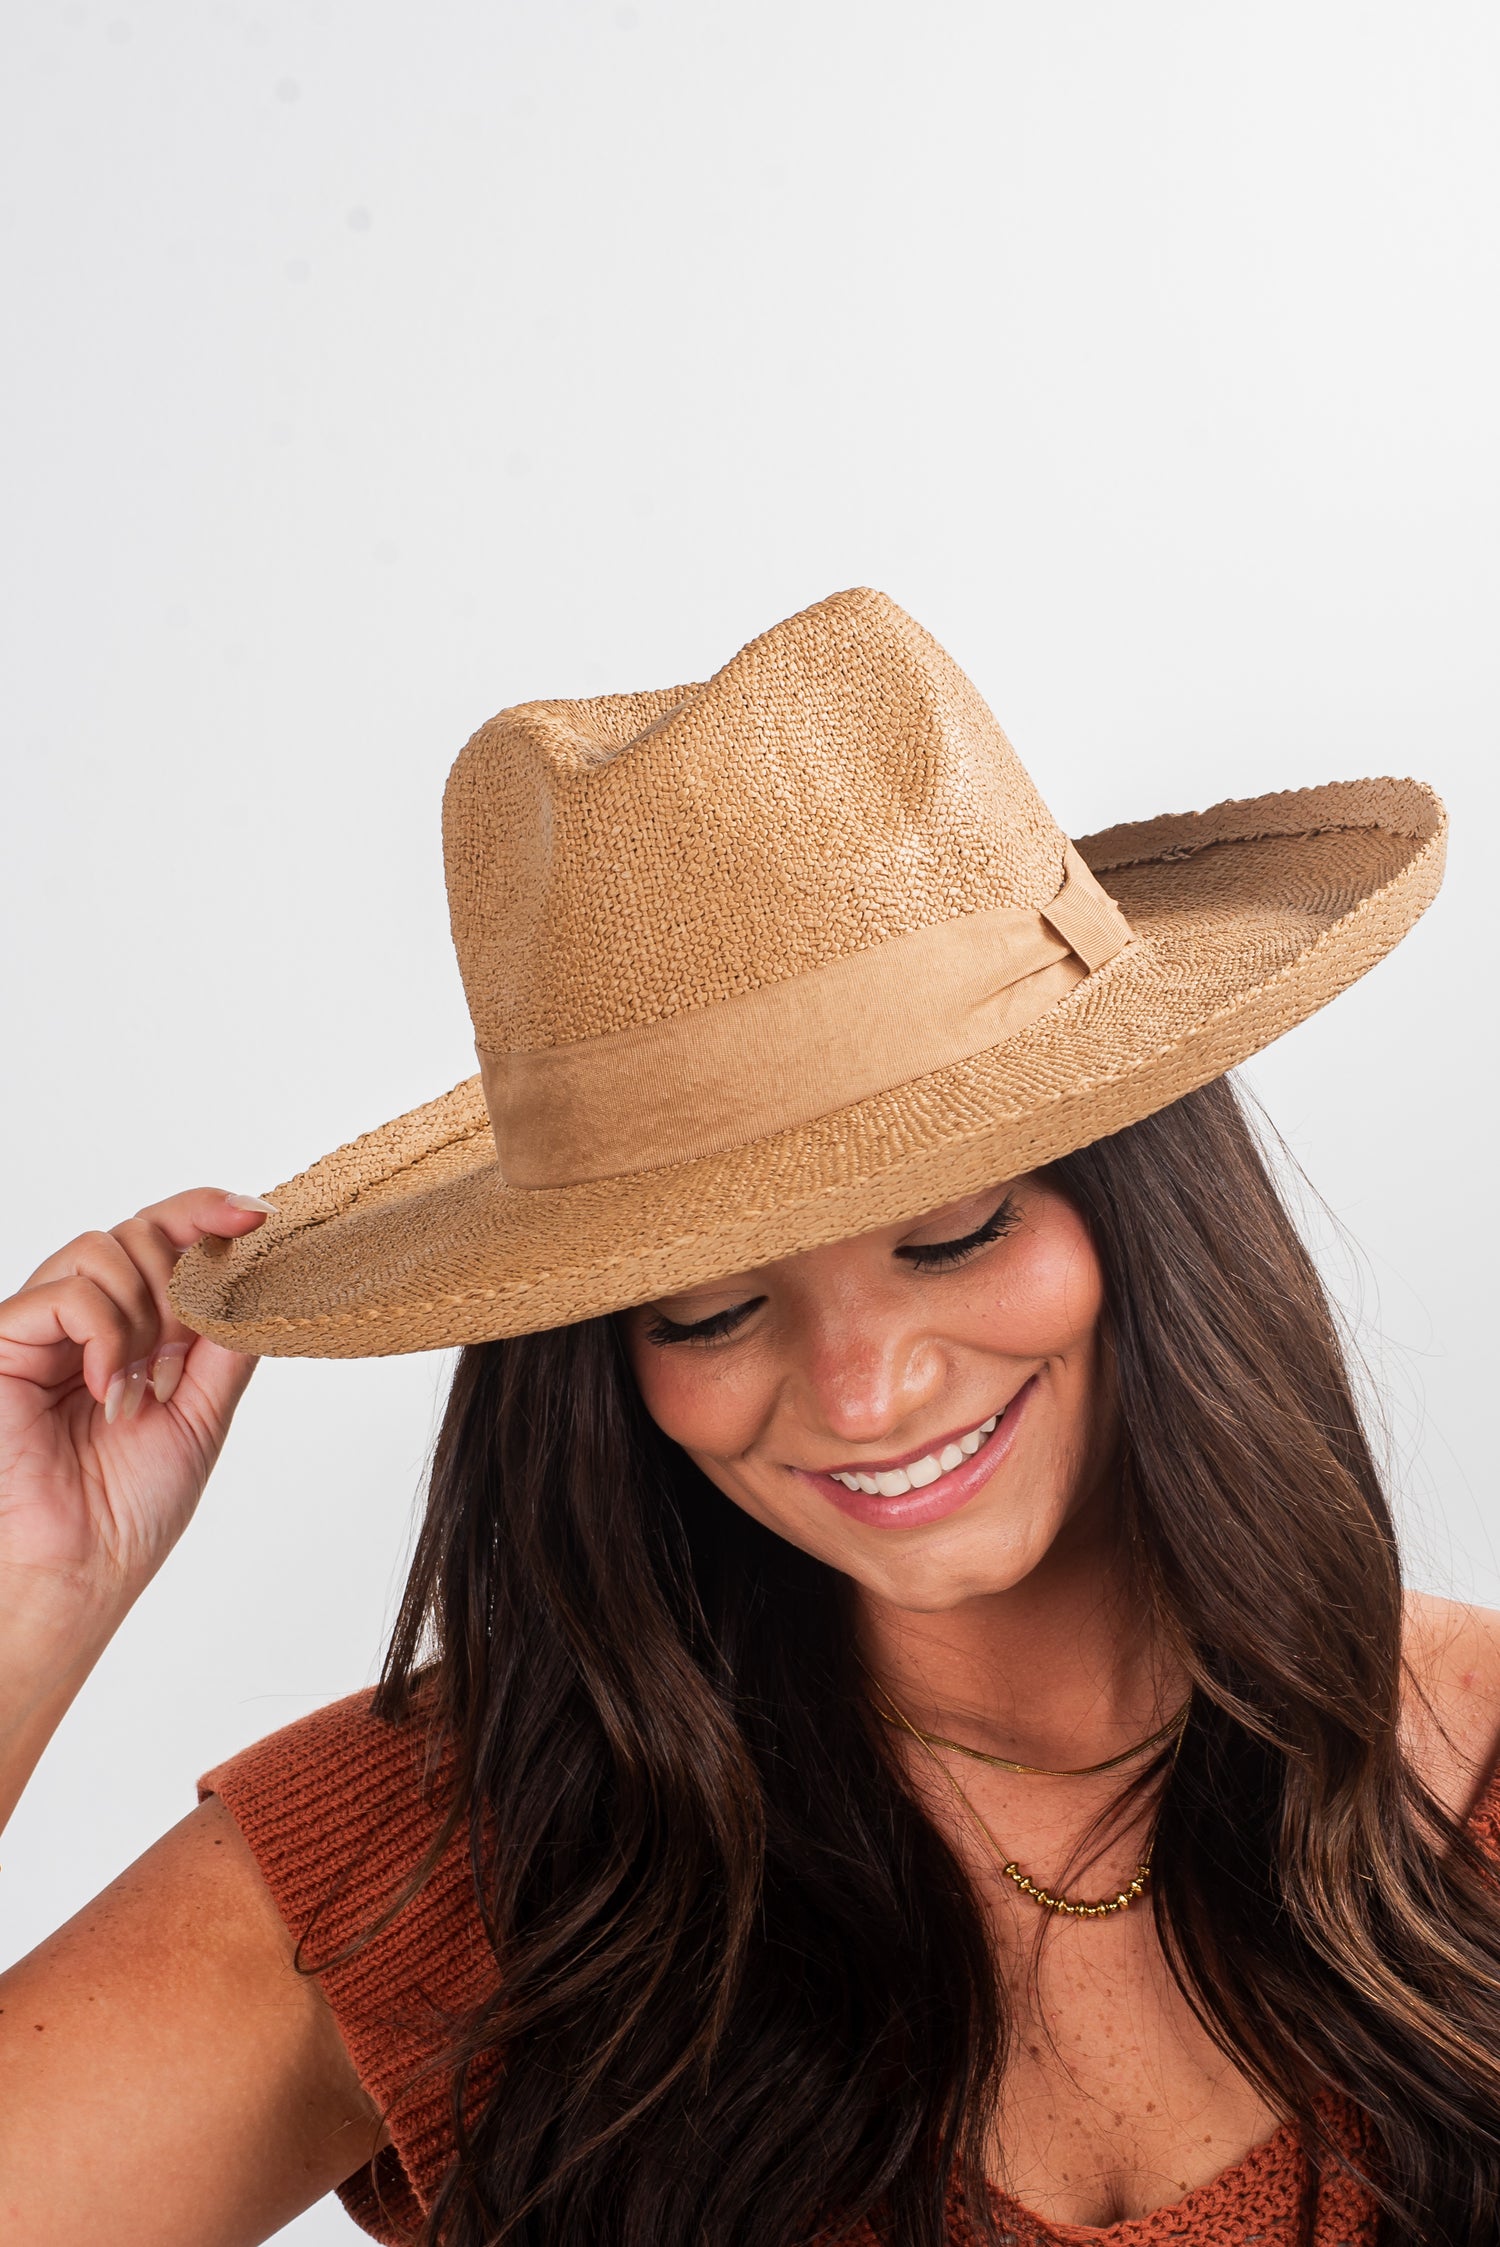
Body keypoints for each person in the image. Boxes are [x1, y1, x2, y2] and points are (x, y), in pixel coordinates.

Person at [2, 588, 1497, 2247]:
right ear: (597, 1360)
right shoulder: (468, 1851)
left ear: (1150, 1210)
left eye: (954, 1233)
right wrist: (22, 1600)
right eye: (710, 1308)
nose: (864, 1391)